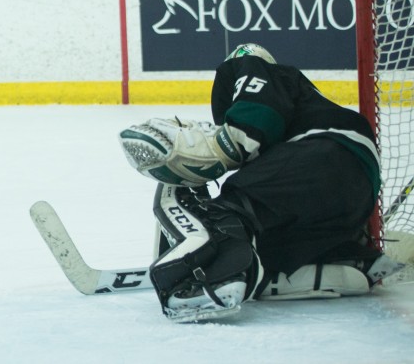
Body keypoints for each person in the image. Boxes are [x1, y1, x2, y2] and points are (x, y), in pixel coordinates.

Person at [119, 43, 402, 322]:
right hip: (355, 191)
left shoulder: (254, 64)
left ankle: (215, 278)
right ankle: (349, 261)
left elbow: (256, 111)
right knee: (262, 244)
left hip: (324, 152)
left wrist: (228, 143)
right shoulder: (298, 116)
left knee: (228, 211)